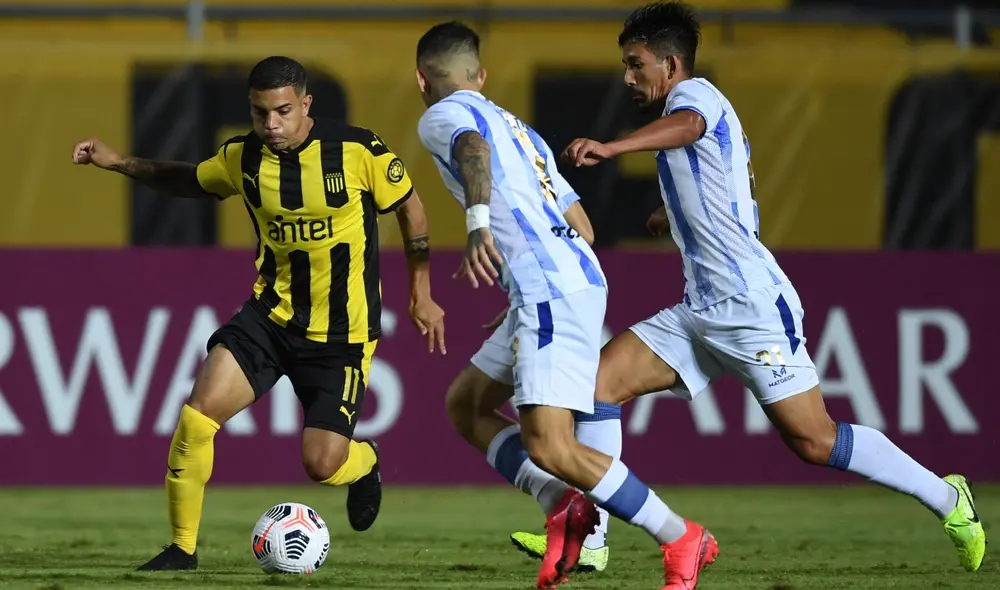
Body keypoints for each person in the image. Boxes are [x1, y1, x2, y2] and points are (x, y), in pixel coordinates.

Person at [508, 1, 987, 581]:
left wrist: (613, 147)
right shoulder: (690, 114)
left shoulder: (696, 97)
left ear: (671, 63)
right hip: (699, 310)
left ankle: (947, 498)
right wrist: (673, 213)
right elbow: (735, 185)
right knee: (597, 385)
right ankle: (595, 539)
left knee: (814, 441)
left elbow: (688, 130)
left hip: (752, 307)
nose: (629, 77)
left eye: (636, 65)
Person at [71, 56, 446, 572]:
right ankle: (182, 550)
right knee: (197, 416)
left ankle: (366, 462)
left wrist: (421, 292)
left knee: (321, 464)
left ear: (306, 105)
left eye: (283, 111)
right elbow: (187, 180)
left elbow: (411, 207)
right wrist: (118, 163)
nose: (271, 125)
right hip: (268, 320)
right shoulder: (242, 158)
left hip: (342, 335)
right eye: (259, 112)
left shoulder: (356, 151)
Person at [415, 21, 717, 590]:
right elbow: (581, 224)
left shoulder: (442, 116)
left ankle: (681, 535)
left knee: (551, 443)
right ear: (481, 76)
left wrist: (482, 228)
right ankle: (565, 507)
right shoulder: (523, 132)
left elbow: (470, 148)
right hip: (560, 281)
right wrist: (528, 283)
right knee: (467, 405)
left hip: (549, 289)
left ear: (420, 79)